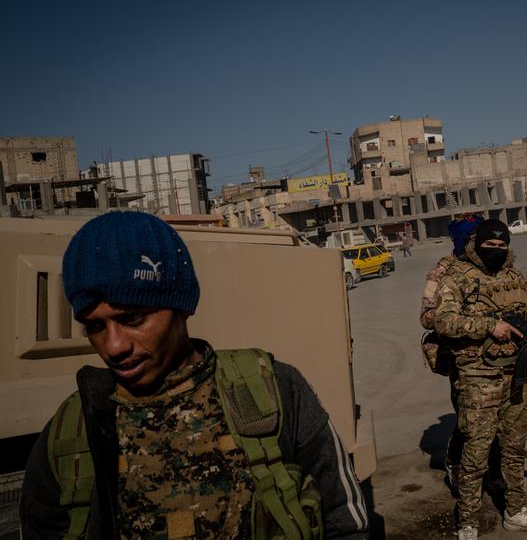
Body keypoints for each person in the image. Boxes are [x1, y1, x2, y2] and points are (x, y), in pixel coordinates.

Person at [20, 211, 369, 539]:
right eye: (95, 326)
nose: (113, 347)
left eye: (133, 319)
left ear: (181, 307)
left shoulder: (272, 391)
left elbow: (345, 520)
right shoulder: (72, 431)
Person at [435, 219, 527, 539]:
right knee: (476, 452)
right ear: (478, 244)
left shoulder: (515, 276)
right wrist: (489, 326)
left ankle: (515, 511)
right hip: (478, 377)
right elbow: (443, 321)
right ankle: (468, 521)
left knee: (515, 449)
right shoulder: (458, 276)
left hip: (516, 377)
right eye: (491, 246)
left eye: (503, 247)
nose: (497, 251)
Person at [419, 213, 499, 494]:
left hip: (494, 353)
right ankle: (455, 463)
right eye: (478, 236)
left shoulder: (489, 262)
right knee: (468, 418)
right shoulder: (442, 271)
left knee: (497, 416)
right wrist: (455, 314)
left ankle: (493, 471)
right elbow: (427, 316)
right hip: (460, 357)